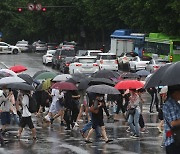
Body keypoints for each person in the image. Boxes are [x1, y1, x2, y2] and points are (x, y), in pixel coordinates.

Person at [163, 85, 180, 154]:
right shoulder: (169, 105)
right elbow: (173, 123)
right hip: (173, 140)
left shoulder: (176, 103)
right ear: (175, 93)